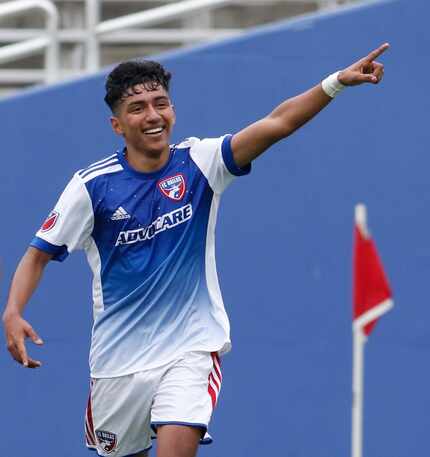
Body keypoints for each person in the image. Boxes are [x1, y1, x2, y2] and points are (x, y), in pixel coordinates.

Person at [2, 42, 389, 457]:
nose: (152, 116)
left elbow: (277, 123)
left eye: (160, 103)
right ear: (117, 125)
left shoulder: (201, 162)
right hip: (117, 363)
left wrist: (336, 83)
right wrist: (13, 310)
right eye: (137, 108)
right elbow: (38, 253)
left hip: (190, 348)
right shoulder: (91, 186)